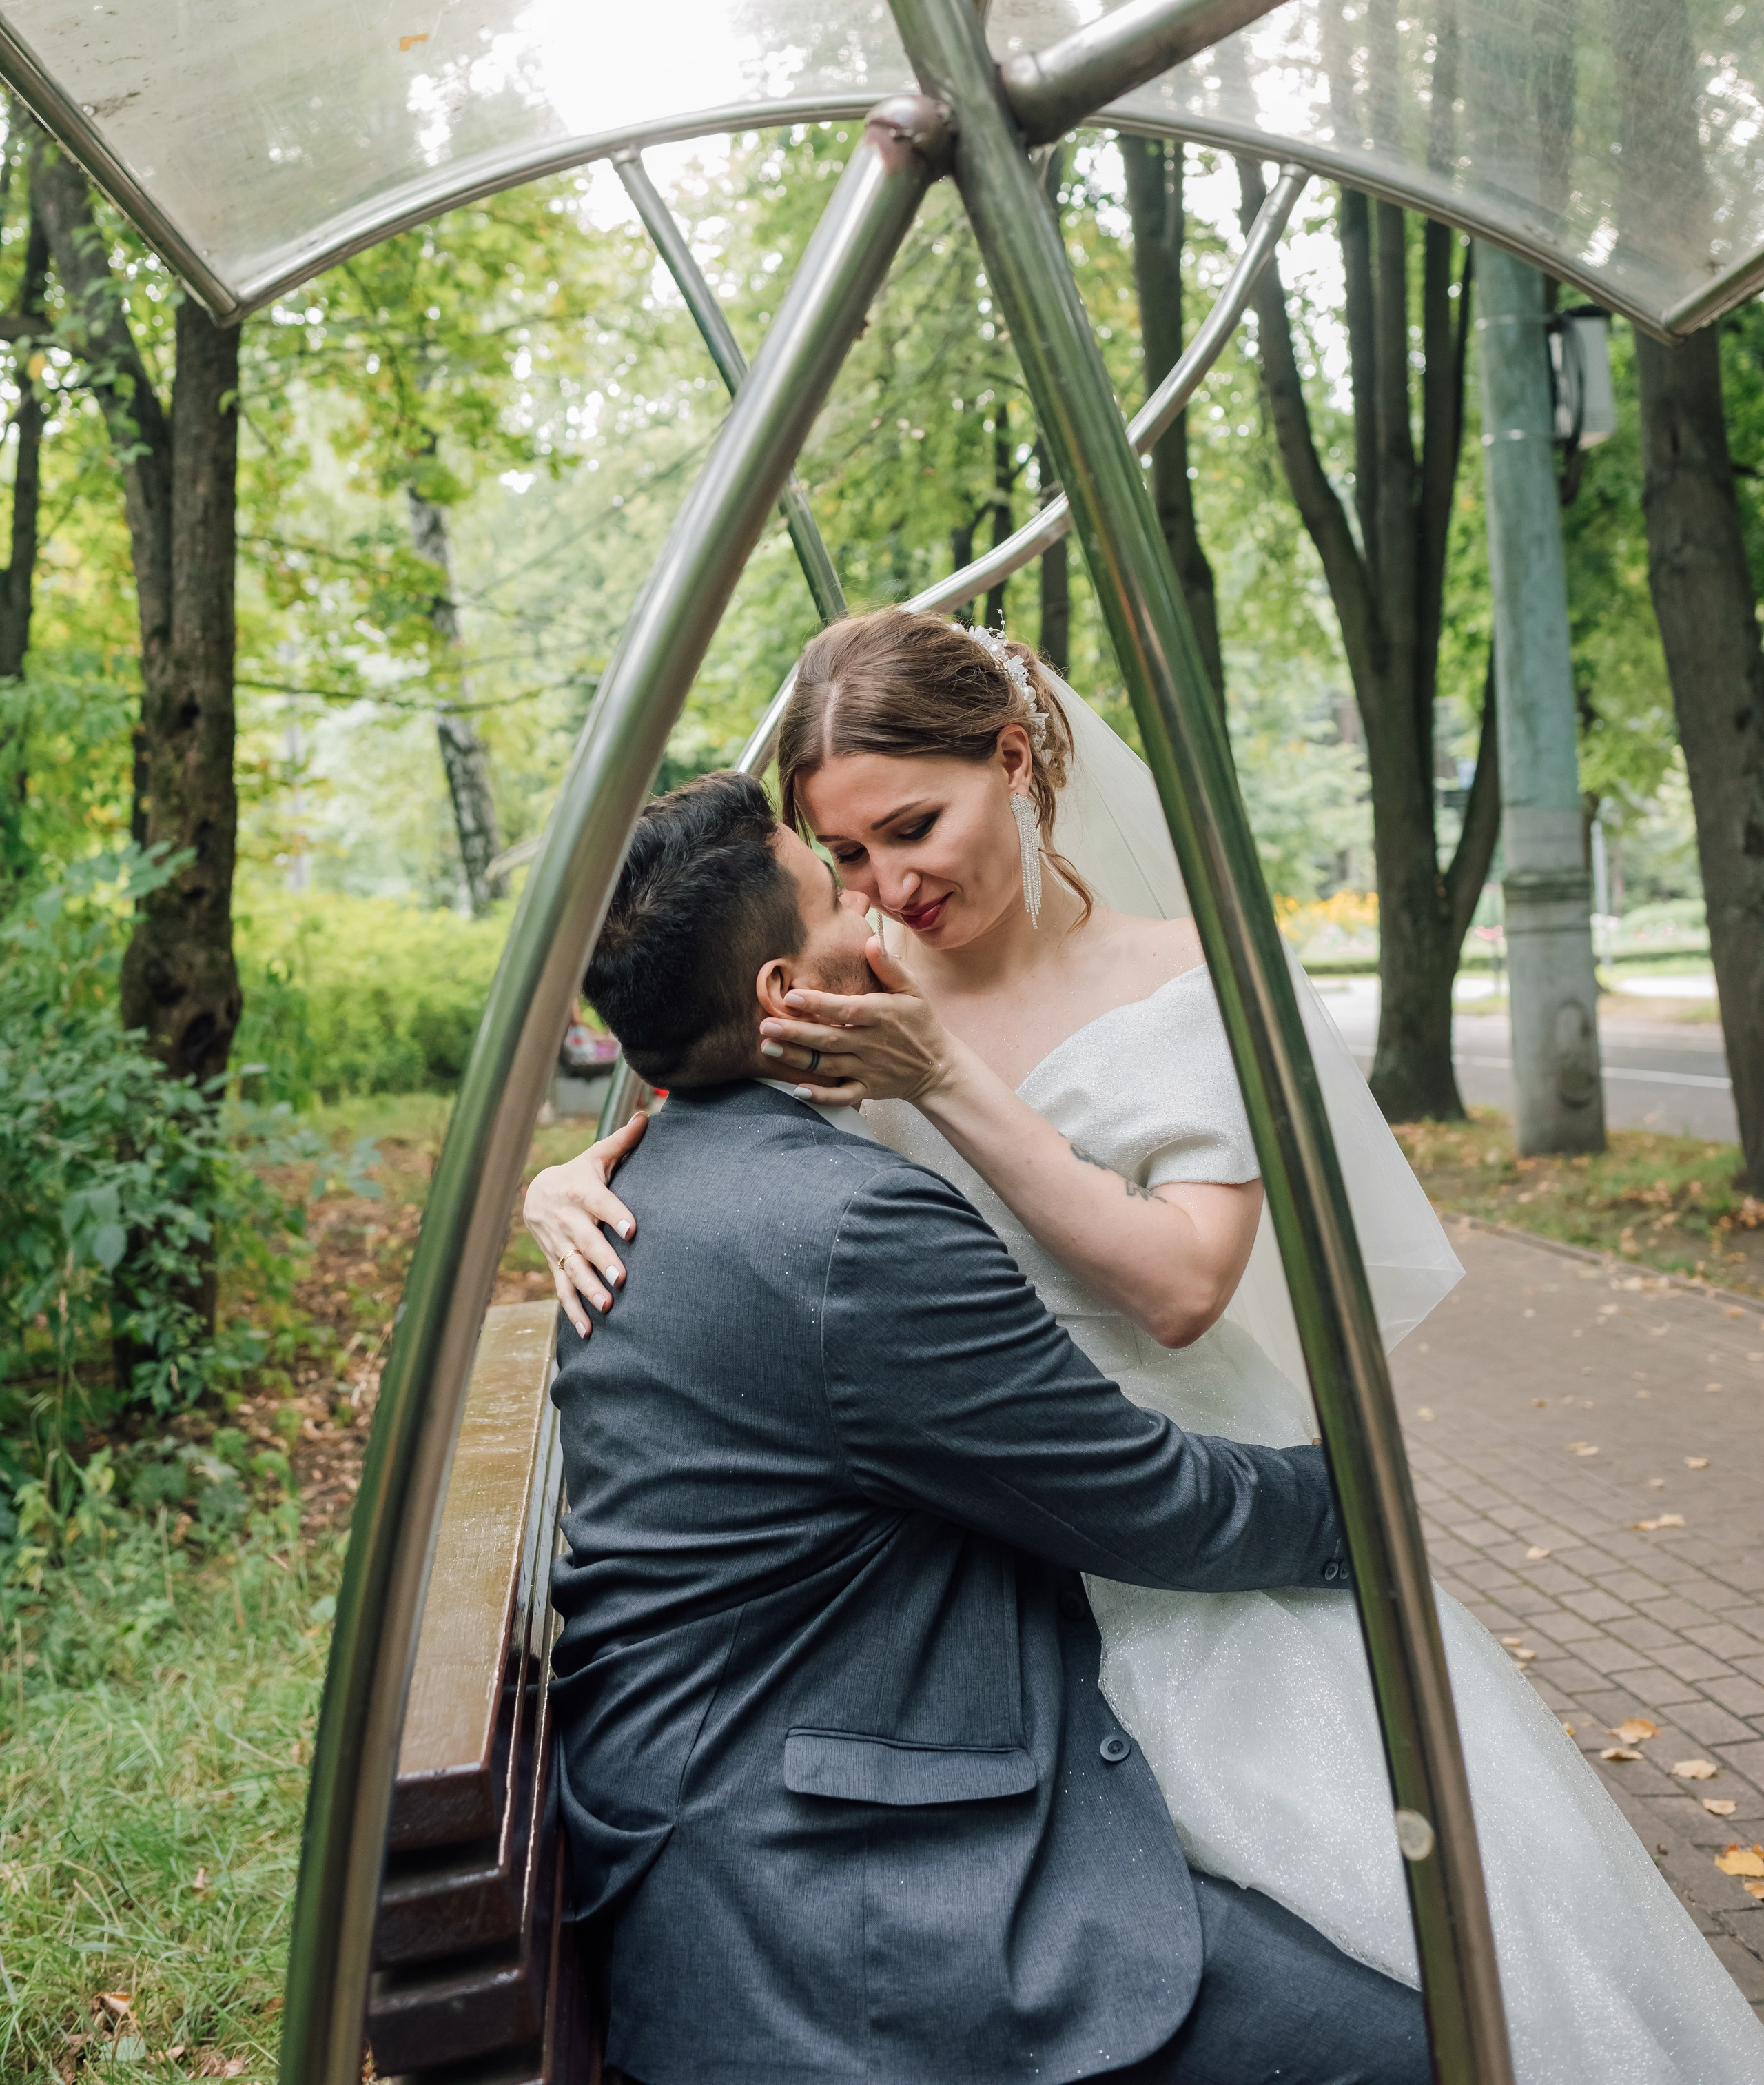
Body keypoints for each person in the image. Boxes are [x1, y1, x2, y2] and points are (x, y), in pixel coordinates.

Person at [531, 611, 1764, 2085]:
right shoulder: (856, 977)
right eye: (845, 858)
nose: (884, 893)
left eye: (912, 829)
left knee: (1434, 1929)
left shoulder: (1185, 978)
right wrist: (574, 1173)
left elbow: (1182, 1289)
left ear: (1014, 755)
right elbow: (713, 1078)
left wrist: (945, 1079)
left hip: (1161, 1462)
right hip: (994, 1508)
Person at [546, 768, 1428, 2085]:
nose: (876, 910)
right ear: (784, 997)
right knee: (1419, 2049)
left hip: (729, 1800)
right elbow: (1151, 1504)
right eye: (835, 884)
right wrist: (1365, 1507)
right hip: (840, 1912)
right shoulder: (849, 1230)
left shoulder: (648, 1181)